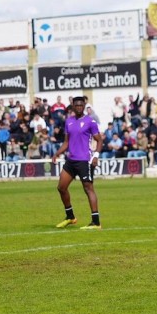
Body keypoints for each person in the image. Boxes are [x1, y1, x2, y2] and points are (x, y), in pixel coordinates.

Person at [51, 97, 103, 230]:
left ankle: (96, 222)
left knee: (88, 189)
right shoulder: (68, 121)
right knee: (61, 187)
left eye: (81, 105)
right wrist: (57, 153)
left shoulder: (90, 121)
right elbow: (66, 142)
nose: (79, 107)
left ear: (84, 105)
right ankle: (70, 217)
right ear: (73, 106)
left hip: (84, 160)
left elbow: (99, 140)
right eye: (76, 105)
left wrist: (96, 156)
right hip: (71, 160)